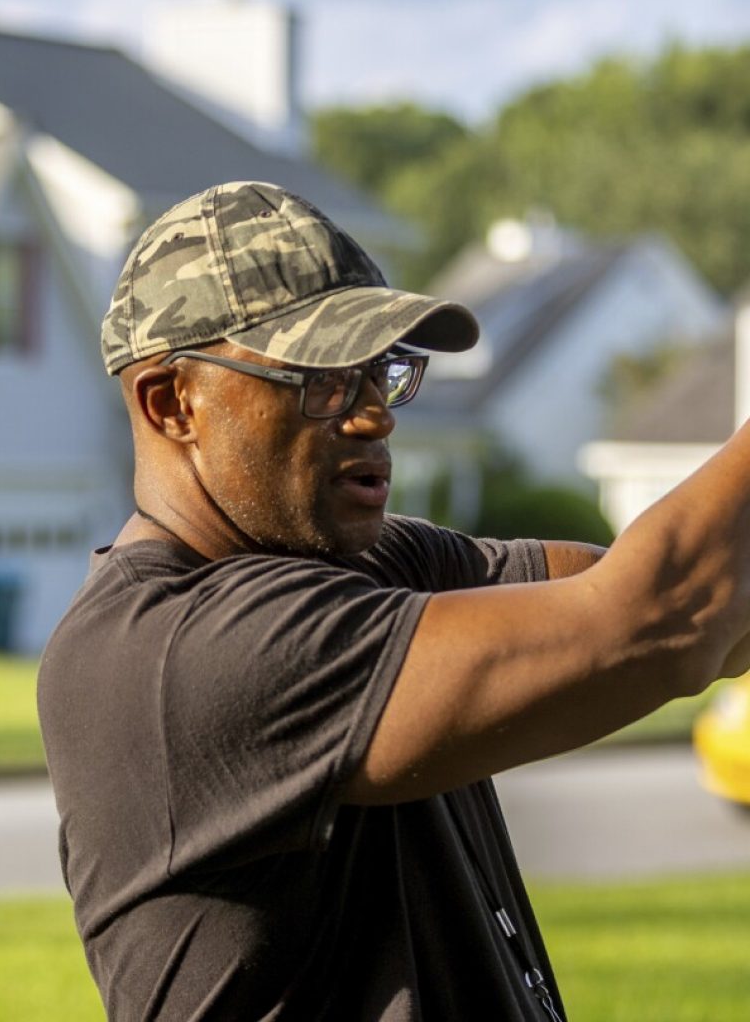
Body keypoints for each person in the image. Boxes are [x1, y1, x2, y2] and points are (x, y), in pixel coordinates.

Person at [38, 180, 750, 1021]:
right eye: (324, 380)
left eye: (381, 372)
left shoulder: (367, 563)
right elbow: (660, 618)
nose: (375, 415)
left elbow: (709, 603)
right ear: (171, 403)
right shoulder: (176, 653)